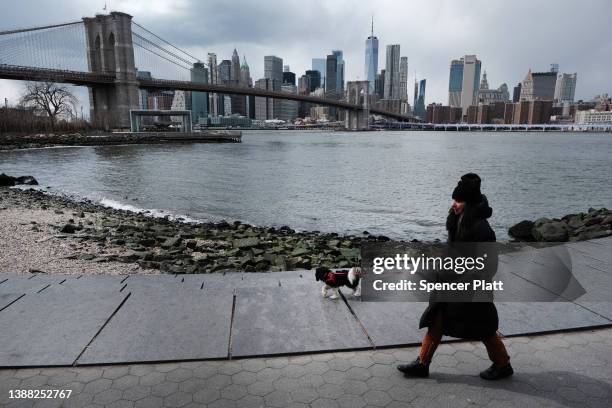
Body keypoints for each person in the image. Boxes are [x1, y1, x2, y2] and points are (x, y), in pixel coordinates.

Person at [397, 173, 513, 380]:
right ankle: (422, 363)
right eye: (454, 200)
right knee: (437, 320)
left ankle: (503, 365)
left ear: (469, 203)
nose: (454, 205)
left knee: (484, 329)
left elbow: (489, 266)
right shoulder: (460, 221)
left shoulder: (481, 228)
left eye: (458, 201)